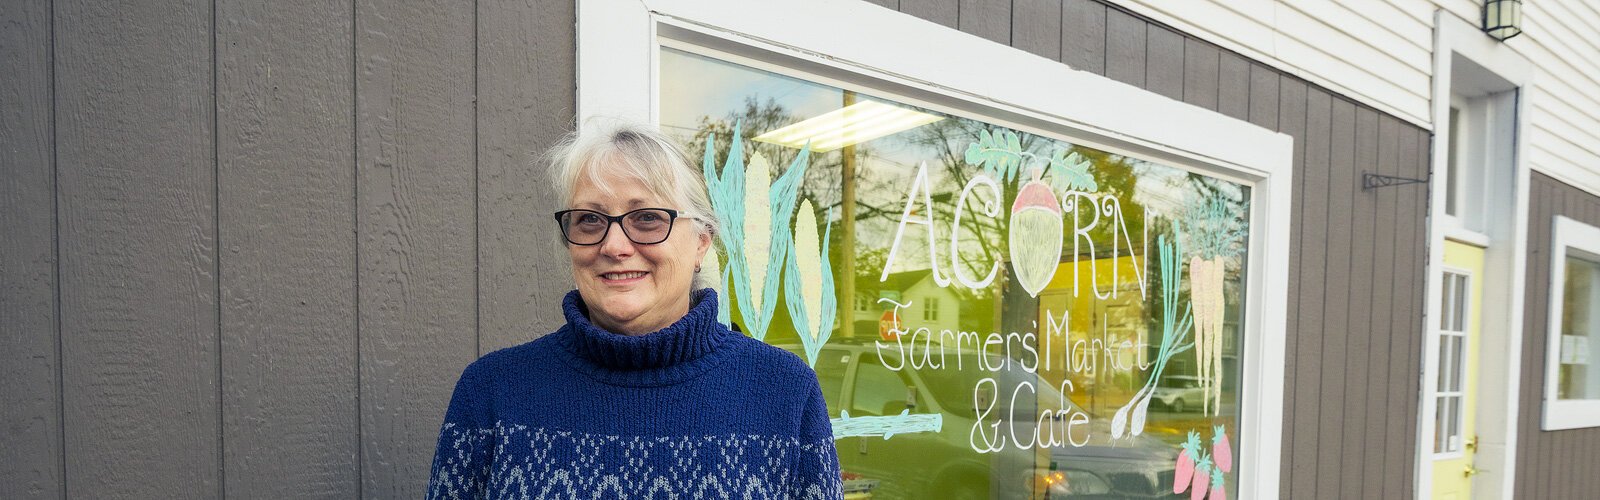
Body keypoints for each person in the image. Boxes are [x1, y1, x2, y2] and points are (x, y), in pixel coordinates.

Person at [426, 121, 841, 499]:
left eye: (646, 219)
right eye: (590, 219)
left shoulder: (784, 393)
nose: (614, 246)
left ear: (701, 242)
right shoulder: (493, 392)